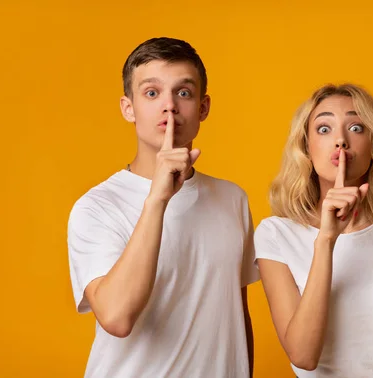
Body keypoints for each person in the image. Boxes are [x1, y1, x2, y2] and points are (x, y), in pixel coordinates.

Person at [67, 37, 259, 378]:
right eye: (152, 93)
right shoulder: (96, 207)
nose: (169, 106)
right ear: (129, 108)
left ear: (203, 107)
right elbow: (116, 316)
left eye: (183, 92)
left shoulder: (233, 199)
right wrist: (157, 199)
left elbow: (235, 314)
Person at [254, 83, 373, 377]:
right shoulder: (276, 235)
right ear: (306, 147)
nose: (341, 141)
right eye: (324, 129)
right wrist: (326, 241)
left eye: (357, 128)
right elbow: (303, 356)